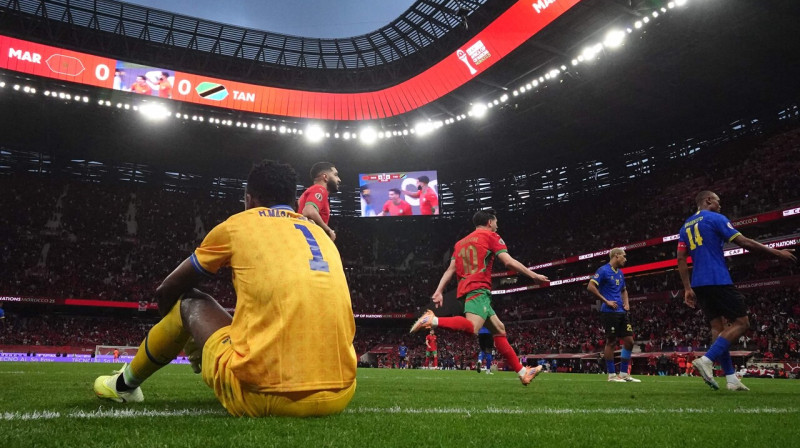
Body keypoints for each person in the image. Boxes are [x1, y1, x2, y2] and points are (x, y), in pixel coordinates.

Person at [93, 160, 357, 417]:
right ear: (291, 199)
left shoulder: (238, 225)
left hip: (262, 397)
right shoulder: (322, 235)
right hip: (341, 393)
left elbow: (166, 289)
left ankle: (124, 386)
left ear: (249, 199)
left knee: (188, 300)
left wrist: (186, 341)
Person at [411, 208, 549, 386]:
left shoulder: (460, 243)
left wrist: (439, 291)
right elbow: (508, 261)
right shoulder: (491, 236)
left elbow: (450, 270)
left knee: (499, 329)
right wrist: (534, 275)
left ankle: (523, 372)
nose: (497, 226)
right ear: (489, 222)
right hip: (479, 288)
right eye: (496, 222)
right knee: (472, 328)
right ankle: (433, 320)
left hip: (466, 289)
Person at [677, 190, 796, 391]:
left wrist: (687, 288)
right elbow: (743, 242)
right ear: (708, 201)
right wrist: (776, 252)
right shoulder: (715, 218)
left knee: (718, 328)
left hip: (698, 282)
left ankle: (731, 378)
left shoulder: (685, 225)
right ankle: (707, 359)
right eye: (717, 201)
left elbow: (681, 258)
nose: (720, 205)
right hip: (717, 278)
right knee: (742, 323)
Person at [587, 248, 640, 383]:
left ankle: (623, 374)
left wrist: (626, 303)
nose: (625, 259)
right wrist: (606, 301)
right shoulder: (603, 270)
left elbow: (624, 290)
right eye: (624, 256)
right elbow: (590, 286)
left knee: (629, 341)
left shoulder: (620, 273)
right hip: (609, 312)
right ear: (616, 256)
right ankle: (611, 375)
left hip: (621, 311)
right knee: (611, 342)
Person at [298, 162, 340, 241]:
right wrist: (328, 230)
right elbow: (309, 211)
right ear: (325, 177)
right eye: (335, 175)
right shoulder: (320, 189)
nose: (339, 179)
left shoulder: (305, 194)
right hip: (311, 241)